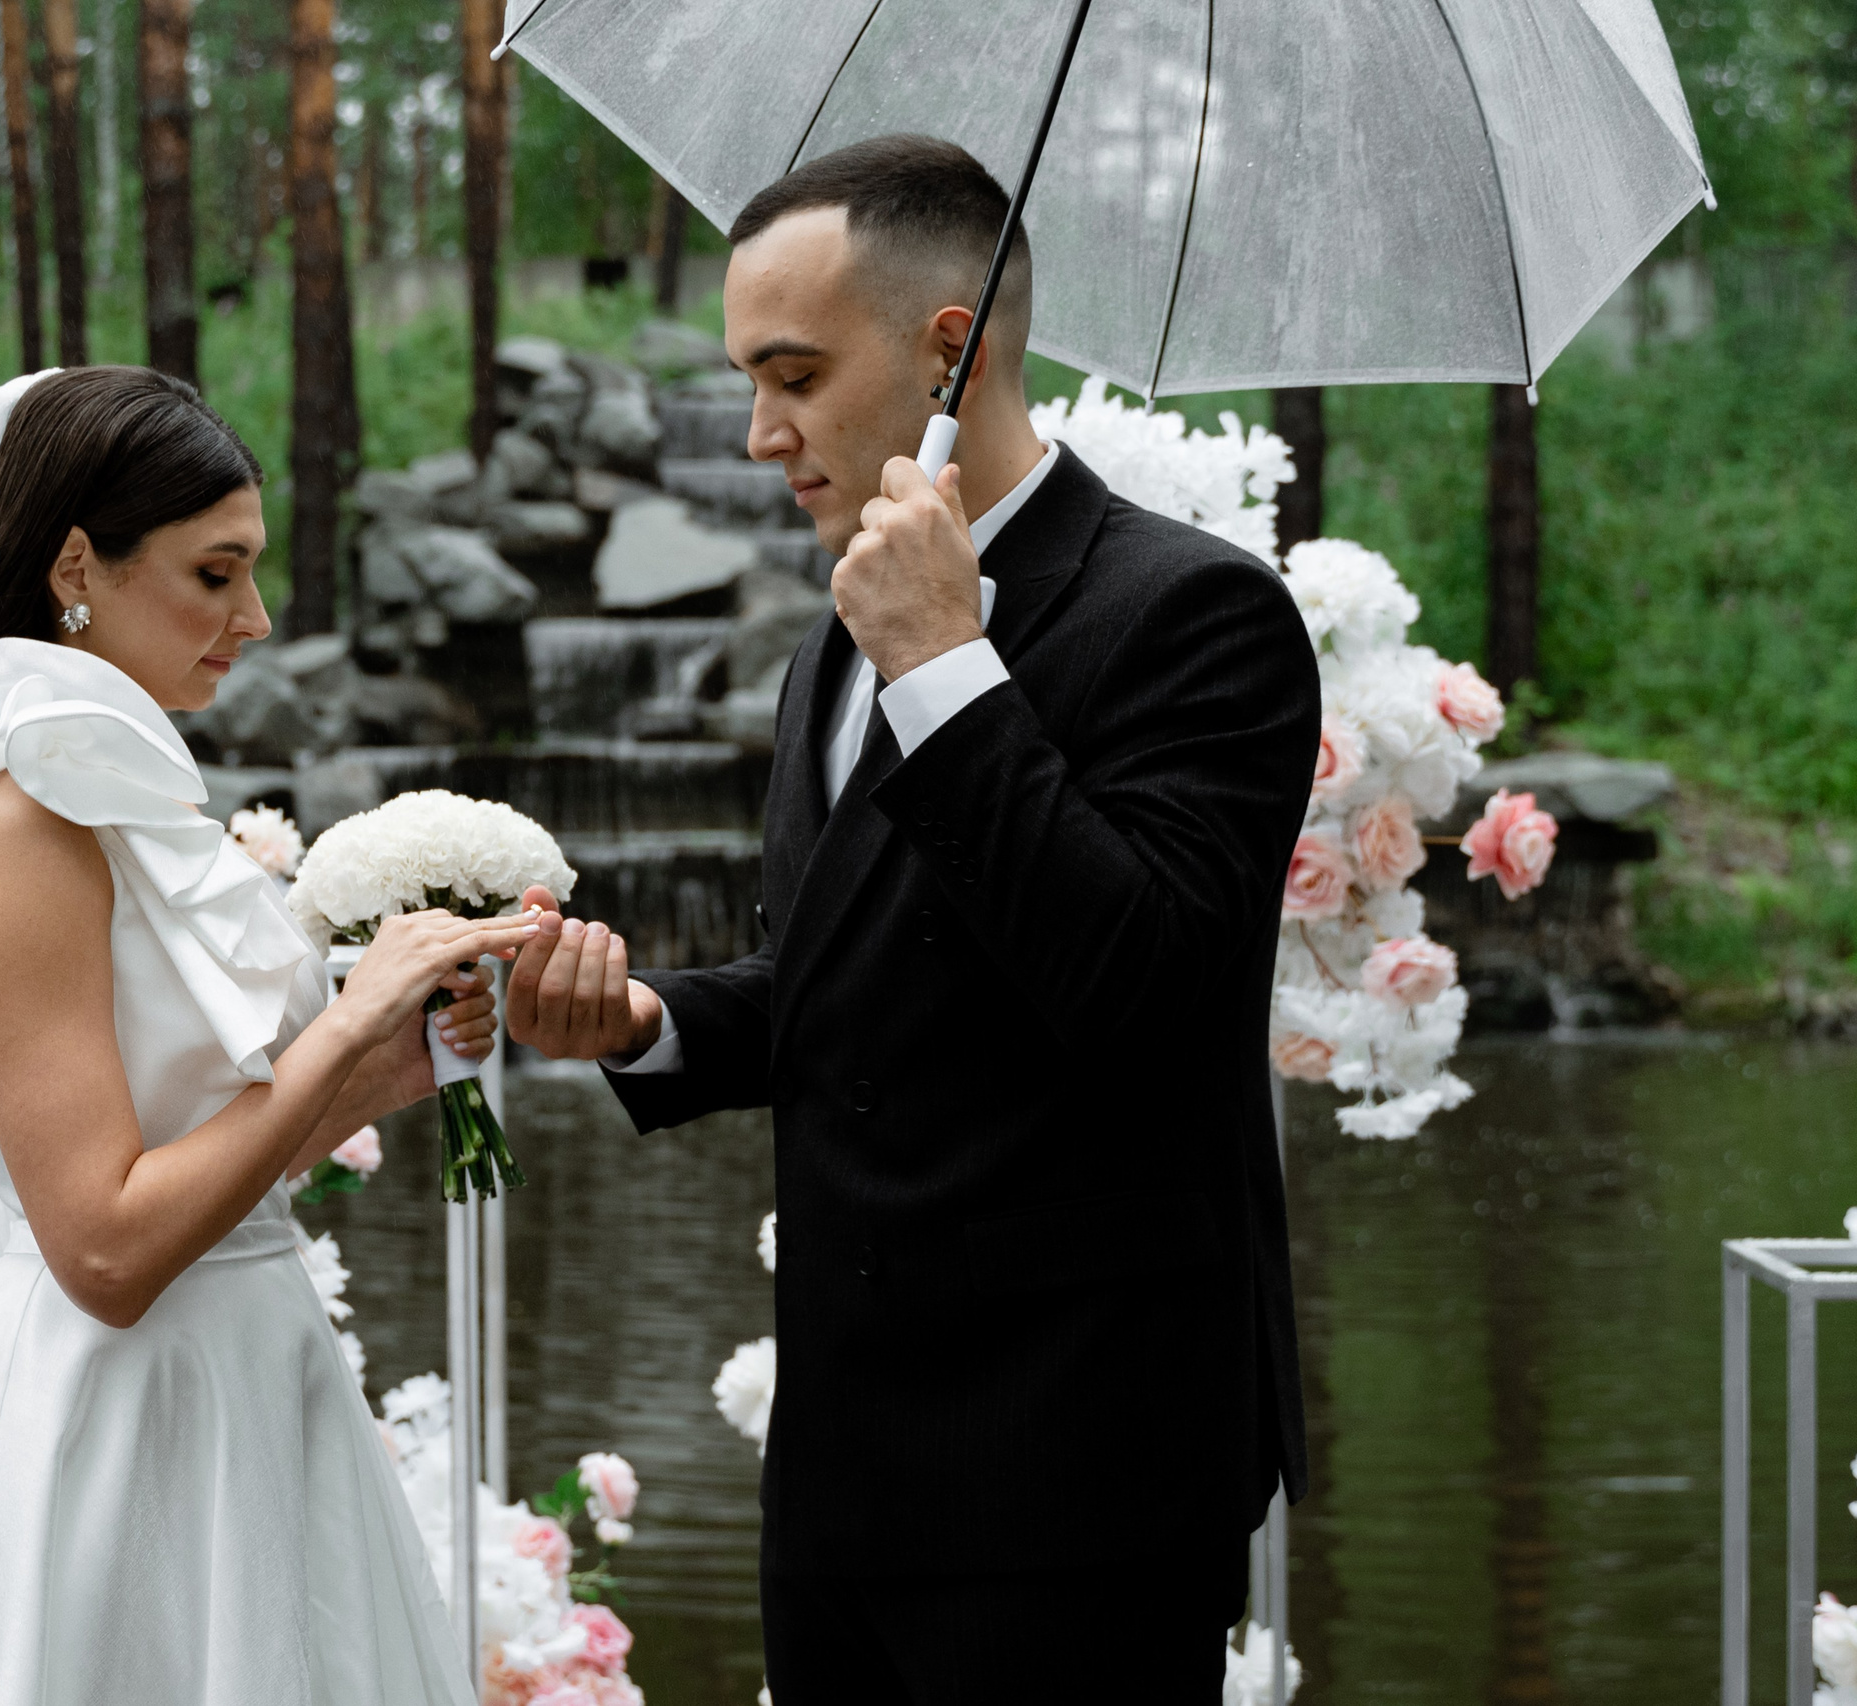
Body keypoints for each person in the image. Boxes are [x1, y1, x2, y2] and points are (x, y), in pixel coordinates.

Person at [504, 135, 1319, 1698]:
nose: (759, 434)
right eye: (750, 378)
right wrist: (651, 1018)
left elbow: (1135, 980)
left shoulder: (1196, 616)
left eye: (795, 374)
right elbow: (858, 989)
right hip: (843, 1472)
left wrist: (949, 666)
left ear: (951, 350)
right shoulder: (838, 635)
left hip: (1082, 1476)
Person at [0, 367, 533, 1704]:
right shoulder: (20, 816)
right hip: (112, 1423)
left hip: (256, 1377)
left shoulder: (129, 791)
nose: (254, 618)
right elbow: (108, 1248)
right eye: (216, 573)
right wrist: (352, 1018)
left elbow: (212, 1144)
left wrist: (398, 1057)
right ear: (78, 562)